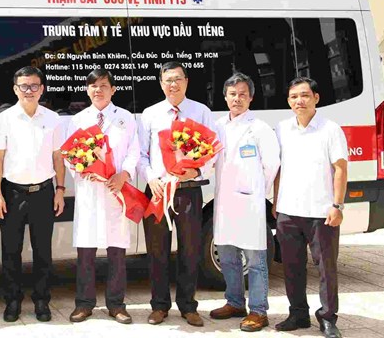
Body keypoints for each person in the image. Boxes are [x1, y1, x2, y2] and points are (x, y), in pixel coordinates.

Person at [138, 61, 217, 327]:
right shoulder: (149, 114)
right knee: (157, 250)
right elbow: (141, 154)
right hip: (159, 191)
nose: (173, 84)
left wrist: (196, 172)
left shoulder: (201, 111)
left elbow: (213, 149)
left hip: (188, 191)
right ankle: (159, 306)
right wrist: (151, 178)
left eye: (178, 79)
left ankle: (188, 306)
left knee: (190, 249)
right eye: (168, 79)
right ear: (161, 83)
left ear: (186, 81)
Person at [0, 66, 66, 323]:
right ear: (15, 89)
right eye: (24, 86)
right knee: (11, 251)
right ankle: (12, 301)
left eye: (34, 86)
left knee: (43, 251)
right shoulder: (4, 119)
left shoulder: (53, 119)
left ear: (41, 89)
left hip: (44, 192)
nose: (29, 91)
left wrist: (60, 190)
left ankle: (42, 302)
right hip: (13, 193)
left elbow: (58, 157)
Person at [273, 77, 348, 338]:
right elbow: (278, 168)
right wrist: (276, 202)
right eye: (294, 97)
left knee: (326, 267)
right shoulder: (282, 129)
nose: (299, 101)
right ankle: (298, 314)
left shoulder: (330, 129)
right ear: (288, 101)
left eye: (304, 95)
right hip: (288, 211)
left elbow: (340, 169)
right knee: (292, 266)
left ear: (316, 98)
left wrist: (337, 205)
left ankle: (328, 318)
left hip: (321, 213)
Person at [67, 69, 139, 325]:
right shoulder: (77, 119)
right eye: (93, 86)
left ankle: (116, 304)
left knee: (116, 249)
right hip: (89, 190)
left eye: (103, 85)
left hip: (115, 190)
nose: (98, 90)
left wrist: (125, 174)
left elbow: (134, 151)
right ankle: (84, 304)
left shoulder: (125, 118)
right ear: (87, 90)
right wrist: (80, 168)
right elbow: (69, 154)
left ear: (113, 89)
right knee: (86, 249)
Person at [210, 72, 280, 332]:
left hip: (249, 203)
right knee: (227, 256)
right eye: (232, 94)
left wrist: (253, 188)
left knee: (255, 260)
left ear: (251, 97)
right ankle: (235, 302)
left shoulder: (260, 128)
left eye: (242, 94)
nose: (237, 98)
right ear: (225, 97)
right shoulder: (217, 126)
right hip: (225, 202)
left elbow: (271, 164)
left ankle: (259, 311)